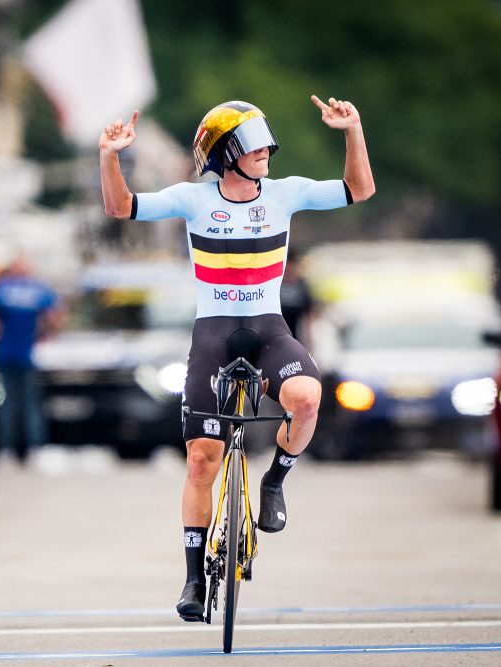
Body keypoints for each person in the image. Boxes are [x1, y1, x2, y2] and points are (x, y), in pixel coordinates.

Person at [99, 96, 375, 621]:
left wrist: (352, 131)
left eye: (268, 140)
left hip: (269, 331)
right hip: (214, 335)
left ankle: (274, 481)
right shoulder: (192, 199)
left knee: (308, 400)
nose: (267, 150)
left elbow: (359, 190)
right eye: (254, 144)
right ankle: (193, 581)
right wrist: (110, 157)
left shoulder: (286, 193)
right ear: (226, 153)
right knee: (202, 457)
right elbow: (120, 208)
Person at [0, 253, 60, 464]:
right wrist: (44, 334)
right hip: (25, 355)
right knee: (26, 405)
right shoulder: (37, 290)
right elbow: (55, 316)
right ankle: (30, 447)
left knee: (7, 404)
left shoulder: (0, 290)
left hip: (8, 354)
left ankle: (9, 448)